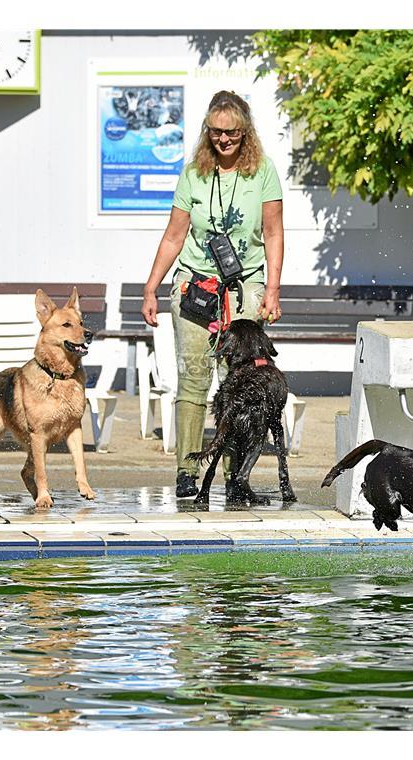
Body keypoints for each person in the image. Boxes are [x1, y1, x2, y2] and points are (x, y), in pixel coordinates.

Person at [141, 91, 285, 498]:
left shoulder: (264, 172)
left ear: (246, 133)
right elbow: (174, 235)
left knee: (240, 386)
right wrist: (151, 287)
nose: (223, 140)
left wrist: (272, 290)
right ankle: (187, 469)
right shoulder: (193, 174)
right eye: (216, 132)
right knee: (193, 380)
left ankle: (235, 477)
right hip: (195, 289)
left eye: (232, 133)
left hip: (245, 290)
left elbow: (273, 233)